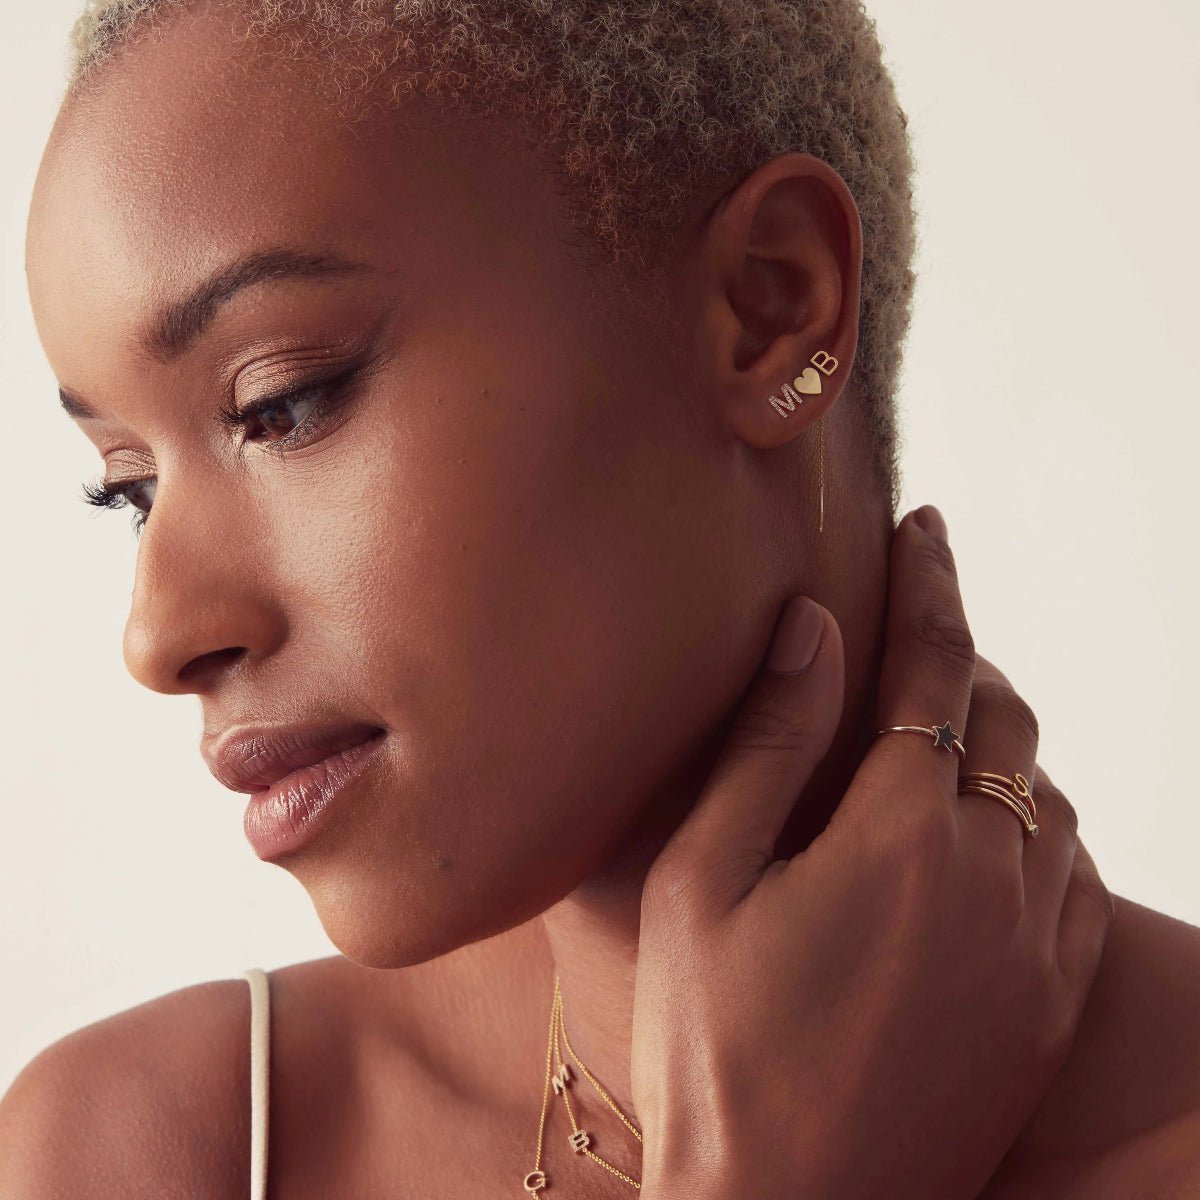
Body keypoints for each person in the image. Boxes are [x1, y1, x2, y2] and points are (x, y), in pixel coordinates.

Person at [2, 1, 1198, 1196]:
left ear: (772, 310)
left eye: (284, 401)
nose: (157, 637)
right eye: (131, 489)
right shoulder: (148, 1149)